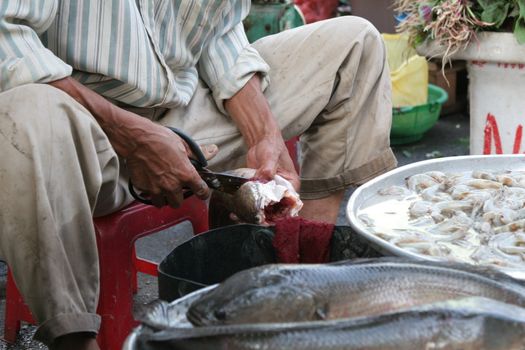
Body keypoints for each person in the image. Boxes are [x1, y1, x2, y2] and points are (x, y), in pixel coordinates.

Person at [0, 0, 397, 349]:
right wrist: (133, 137)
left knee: (355, 42)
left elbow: (220, 33)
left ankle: (303, 282)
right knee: (25, 109)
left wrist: (263, 133)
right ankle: (75, 339)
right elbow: (9, 41)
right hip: (80, 135)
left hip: (183, 112)